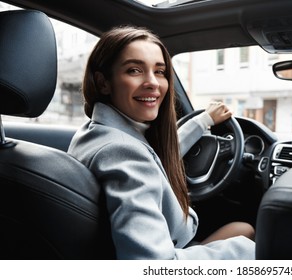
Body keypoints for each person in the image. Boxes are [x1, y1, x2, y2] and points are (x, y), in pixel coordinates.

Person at [67, 25, 255, 259]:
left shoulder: (98, 132)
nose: (153, 83)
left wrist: (205, 120)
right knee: (249, 240)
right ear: (103, 82)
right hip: (171, 250)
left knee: (243, 229)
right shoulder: (123, 153)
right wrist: (259, 256)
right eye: (134, 70)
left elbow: (160, 152)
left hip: (168, 239)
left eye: (159, 71)